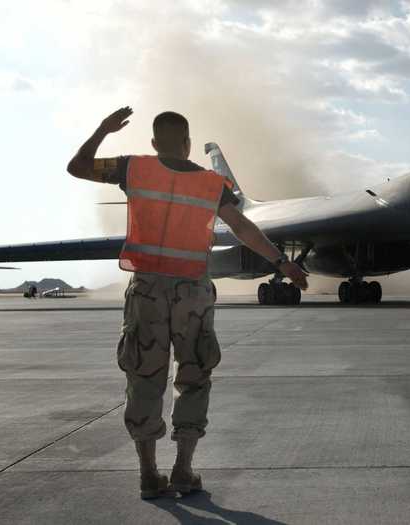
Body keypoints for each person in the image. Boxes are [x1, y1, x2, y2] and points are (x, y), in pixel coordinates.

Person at [67, 107, 308, 499]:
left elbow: (78, 167)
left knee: (144, 376)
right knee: (194, 375)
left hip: (147, 289)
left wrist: (102, 130)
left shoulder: (133, 168)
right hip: (193, 291)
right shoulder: (212, 184)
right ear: (188, 142)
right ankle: (183, 469)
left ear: (153, 142)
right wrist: (282, 263)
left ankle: (148, 473)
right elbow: (244, 227)